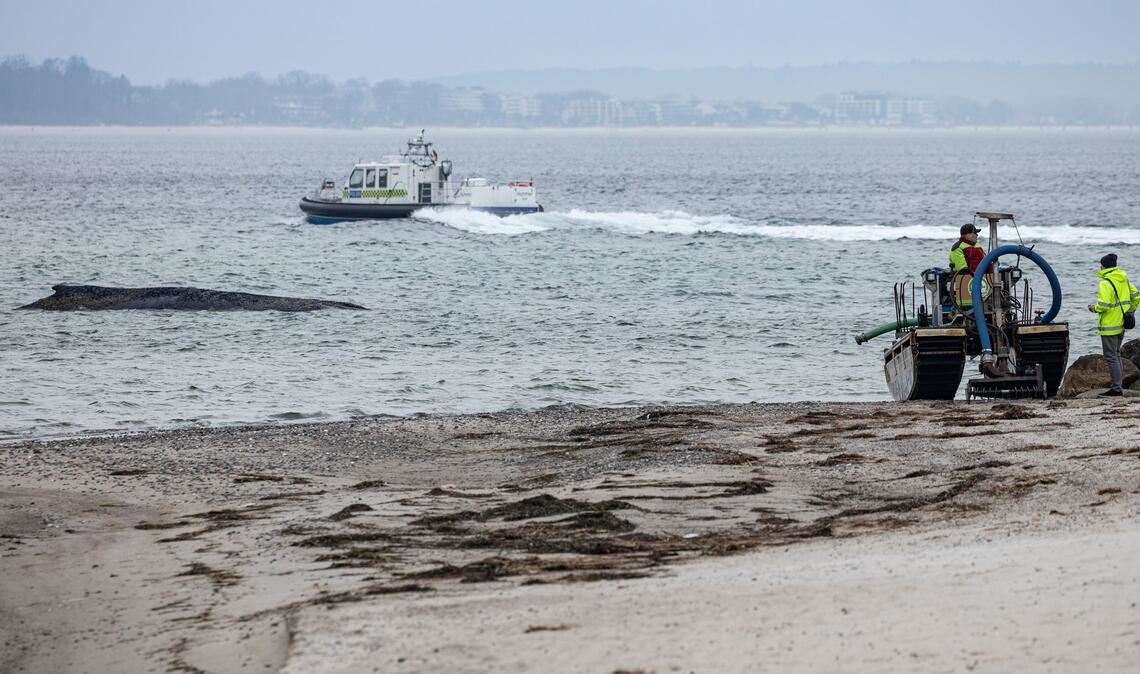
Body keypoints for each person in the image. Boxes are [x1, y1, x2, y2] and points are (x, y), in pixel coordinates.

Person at [1088, 253, 1139, 396]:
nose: (1100, 266)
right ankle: (1118, 385)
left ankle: (1116, 388)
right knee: (1116, 355)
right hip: (1122, 324)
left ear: (1104, 266)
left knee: (1111, 356)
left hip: (1109, 326)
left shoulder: (1105, 283)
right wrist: (1130, 311)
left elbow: (1103, 305)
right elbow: (1136, 296)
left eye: (1101, 264)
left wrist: (1093, 308)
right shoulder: (1123, 279)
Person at [948, 224, 989, 308]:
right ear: (968, 235)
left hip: (982, 277)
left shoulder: (978, 245)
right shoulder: (957, 248)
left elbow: (985, 260)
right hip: (965, 280)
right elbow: (962, 268)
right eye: (975, 233)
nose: (977, 235)